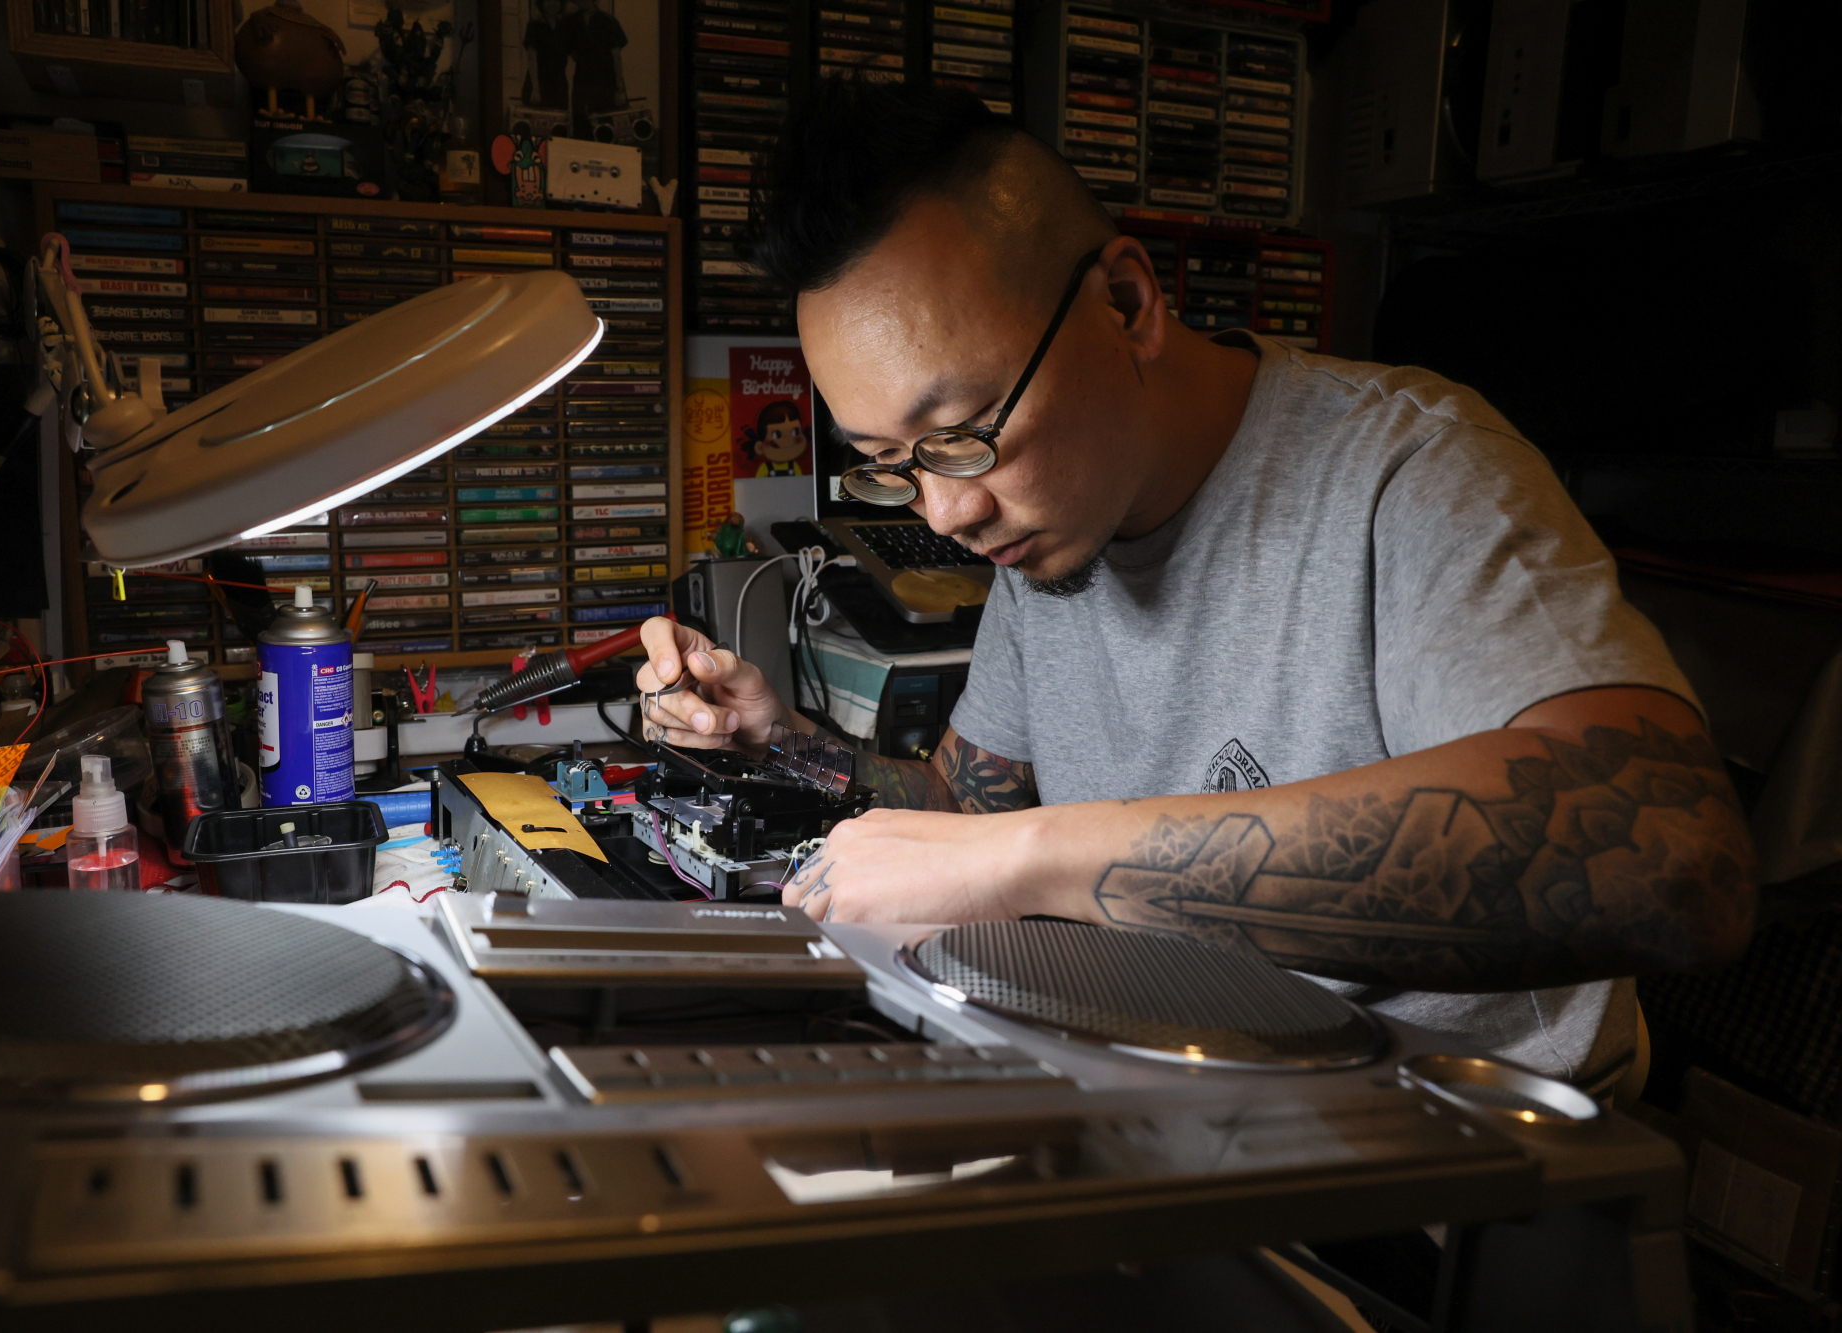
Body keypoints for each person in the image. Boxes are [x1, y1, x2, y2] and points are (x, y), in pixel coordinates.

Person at [636, 81, 1757, 1093]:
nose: (942, 510)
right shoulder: (1049, 527)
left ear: (1126, 303)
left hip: (1451, 1191)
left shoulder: (1410, 473)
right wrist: (780, 739)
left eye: (963, 433)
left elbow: (1668, 854)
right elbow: (969, 816)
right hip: (1179, 1107)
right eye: (892, 462)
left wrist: (1042, 855)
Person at [560, 0, 627, 140]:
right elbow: (570, 50)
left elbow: (616, 57)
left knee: (608, 127)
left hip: (607, 82)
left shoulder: (608, 20)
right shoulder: (572, 21)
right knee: (582, 127)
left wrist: (619, 88)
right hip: (583, 82)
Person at [520, 0, 569, 111]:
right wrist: (536, 89)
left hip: (559, 86)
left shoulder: (564, 27)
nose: (552, 3)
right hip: (539, 83)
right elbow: (532, 58)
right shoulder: (534, 25)